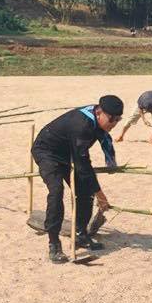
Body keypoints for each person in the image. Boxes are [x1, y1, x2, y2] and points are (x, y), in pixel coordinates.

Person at [31, 96, 123, 264]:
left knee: (85, 192)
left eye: (118, 120)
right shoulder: (81, 125)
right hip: (47, 151)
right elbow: (82, 165)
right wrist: (101, 194)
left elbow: (101, 142)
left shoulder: (97, 121)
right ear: (99, 111)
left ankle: (81, 234)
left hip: (68, 152)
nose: (113, 124)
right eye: (111, 119)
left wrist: (111, 163)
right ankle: (54, 243)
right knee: (57, 190)